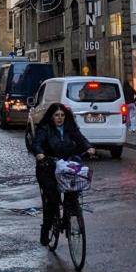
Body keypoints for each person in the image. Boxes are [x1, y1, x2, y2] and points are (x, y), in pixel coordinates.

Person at [32, 103, 95, 247]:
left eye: (62, 115)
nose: (60, 118)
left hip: (66, 167)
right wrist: (40, 153)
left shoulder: (70, 128)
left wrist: (88, 147)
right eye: (56, 115)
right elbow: (37, 143)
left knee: (72, 194)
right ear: (51, 117)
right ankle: (46, 229)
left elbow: (80, 139)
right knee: (52, 200)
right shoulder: (45, 128)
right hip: (47, 168)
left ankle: (69, 216)